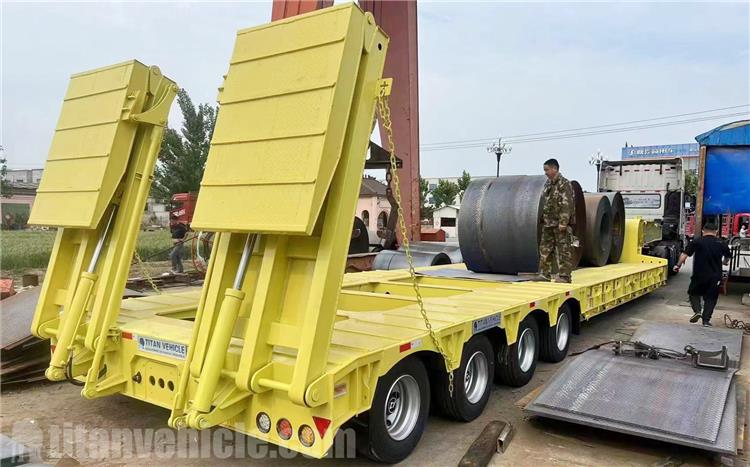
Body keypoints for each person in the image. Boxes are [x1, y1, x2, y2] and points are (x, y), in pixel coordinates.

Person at [673, 221, 731, 326]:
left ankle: (697, 311)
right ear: (716, 232)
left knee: (693, 293)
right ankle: (706, 321)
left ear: (703, 231)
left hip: (699, 275)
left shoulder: (697, 241)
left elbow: (685, 255)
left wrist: (677, 265)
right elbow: (727, 258)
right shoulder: (722, 243)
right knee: (711, 298)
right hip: (715, 276)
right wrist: (724, 262)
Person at [539, 158, 576, 283]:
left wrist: (563, 222)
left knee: (563, 249)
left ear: (554, 169)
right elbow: (545, 202)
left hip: (560, 223)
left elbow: (567, 204)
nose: (545, 172)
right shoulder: (548, 184)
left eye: (547, 170)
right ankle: (544, 274)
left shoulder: (564, 184)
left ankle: (565, 276)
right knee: (545, 249)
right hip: (548, 223)